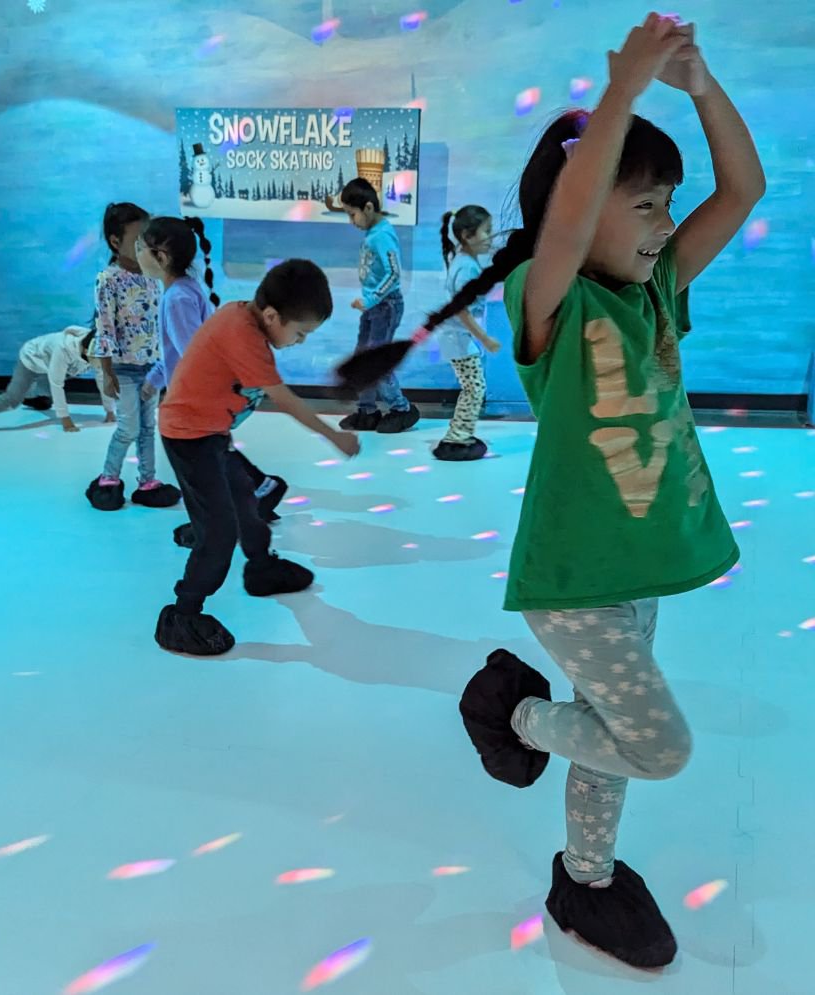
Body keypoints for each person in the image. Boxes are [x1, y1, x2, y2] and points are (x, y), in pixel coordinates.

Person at [434, 13, 765, 968]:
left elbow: (746, 190)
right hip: (577, 580)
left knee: (608, 745)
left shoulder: (656, 290)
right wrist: (619, 93)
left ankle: (585, 879)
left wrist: (698, 86)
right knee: (658, 745)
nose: (667, 223)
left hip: (640, 567)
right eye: (649, 204)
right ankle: (510, 712)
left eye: (668, 204)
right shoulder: (552, 301)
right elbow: (567, 227)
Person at [155, 258, 360, 656]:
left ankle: (262, 566)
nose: (300, 342)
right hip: (189, 438)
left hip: (212, 435)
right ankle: (184, 613)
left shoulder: (244, 318)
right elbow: (283, 399)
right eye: (300, 334)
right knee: (218, 532)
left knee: (247, 500)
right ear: (271, 315)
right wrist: (334, 436)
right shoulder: (244, 337)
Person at [134, 215, 287, 547]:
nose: (137, 253)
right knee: (215, 456)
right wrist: (158, 377)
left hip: (194, 402)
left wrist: (165, 384)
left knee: (197, 470)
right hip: (202, 397)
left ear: (160, 257)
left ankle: (209, 529)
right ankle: (260, 488)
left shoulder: (176, 298)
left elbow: (192, 352)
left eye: (140, 247)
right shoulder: (187, 289)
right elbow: (183, 348)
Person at [85, 202, 180, 512]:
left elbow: (160, 322)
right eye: (139, 239)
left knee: (148, 426)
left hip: (152, 367)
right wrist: (108, 372)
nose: (146, 246)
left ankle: (148, 480)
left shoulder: (154, 277)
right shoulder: (108, 279)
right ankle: (109, 478)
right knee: (128, 426)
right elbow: (105, 326)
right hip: (123, 369)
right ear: (116, 241)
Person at [334, 178, 420, 434]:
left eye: (352, 215)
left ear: (368, 208)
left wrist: (372, 299)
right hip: (374, 307)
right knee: (362, 358)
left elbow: (394, 274)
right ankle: (367, 410)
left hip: (386, 306)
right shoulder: (373, 234)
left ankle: (402, 409)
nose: (351, 222)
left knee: (377, 362)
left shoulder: (382, 236)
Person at [434, 206, 501, 461]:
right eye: (487, 231)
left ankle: (460, 433)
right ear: (467, 235)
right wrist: (484, 338)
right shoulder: (466, 267)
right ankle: (457, 436)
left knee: (473, 386)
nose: (490, 237)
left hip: (458, 337)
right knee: (474, 387)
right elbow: (462, 309)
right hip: (458, 338)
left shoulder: (464, 262)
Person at [0, 326, 116, 430]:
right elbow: (56, 383)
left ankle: (30, 396)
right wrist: (65, 419)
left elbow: (102, 379)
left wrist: (109, 410)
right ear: (86, 351)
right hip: (31, 358)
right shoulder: (63, 348)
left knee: (45, 402)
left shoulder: (96, 350)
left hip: (51, 367)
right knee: (11, 400)